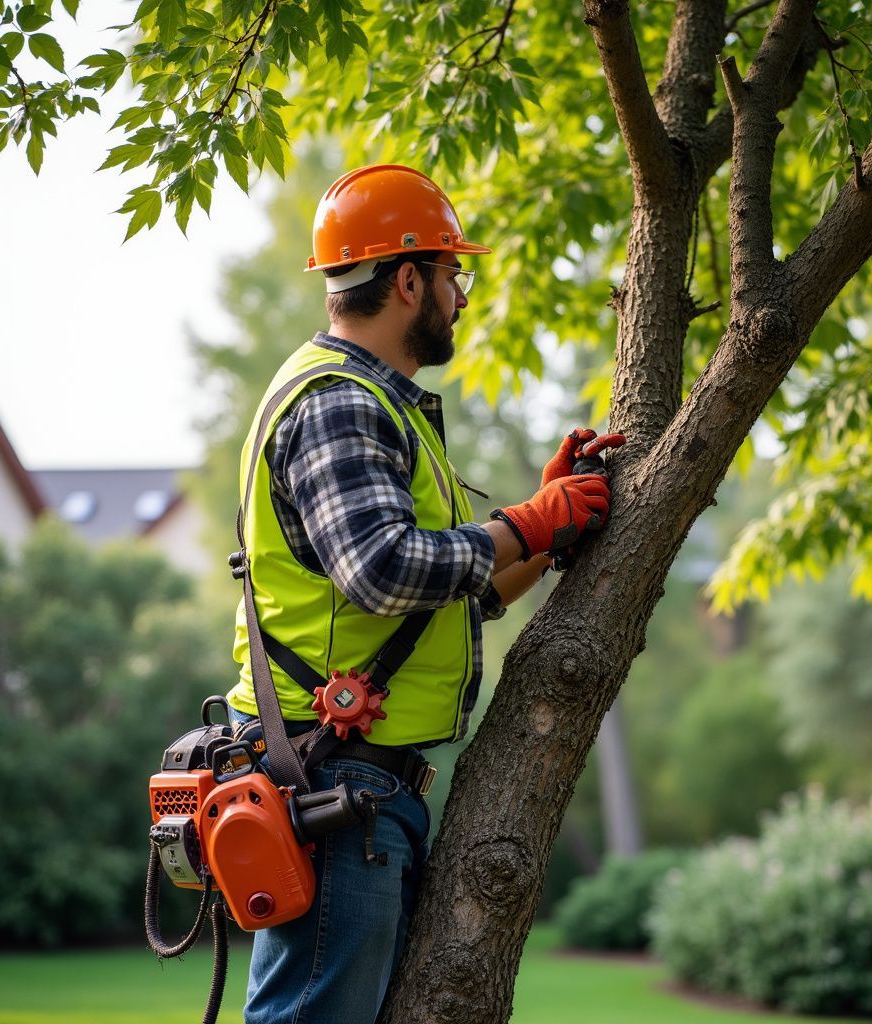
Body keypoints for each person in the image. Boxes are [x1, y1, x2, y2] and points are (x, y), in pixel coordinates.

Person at [225, 163, 623, 1024]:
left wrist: (549, 533)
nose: (462, 298)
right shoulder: (339, 401)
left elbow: (455, 593)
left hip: (359, 788)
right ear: (409, 280)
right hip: (332, 784)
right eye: (453, 277)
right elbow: (379, 570)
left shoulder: (378, 405)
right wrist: (526, 521)